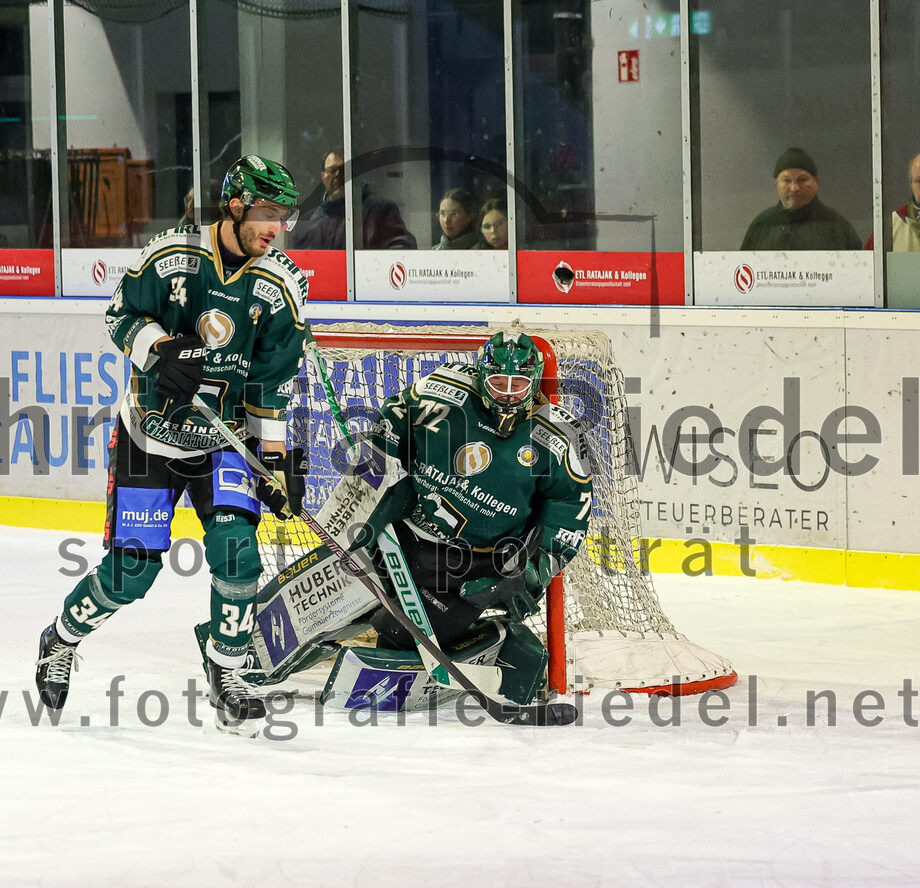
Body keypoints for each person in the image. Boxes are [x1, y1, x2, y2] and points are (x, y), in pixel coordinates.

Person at [35, 154, 310, 735]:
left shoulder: (280, 285)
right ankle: (60, 638)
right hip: (148, 438)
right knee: (130, 574)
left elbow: (269, 387)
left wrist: (278, 461)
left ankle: (228, 670)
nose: (274, 227)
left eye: (282, 215)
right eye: (264, 212)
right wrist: (159, 351)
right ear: (233, 205)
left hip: (222, 441)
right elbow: (119, 316)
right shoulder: (170, 256)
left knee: (239, 557)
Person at [238, 331, 593, 710]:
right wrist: (378, 484)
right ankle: (233, 655)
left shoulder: (558, 439)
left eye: (518, 384)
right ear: (480, 375)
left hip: (470, 568)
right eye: (498, 382)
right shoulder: (440, 393)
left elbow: (569, 518)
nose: (507, 394)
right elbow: (392, 421)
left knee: (397, 634)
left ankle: (493, 640)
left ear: (534, 384)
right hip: (404, 534)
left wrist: (525, 576)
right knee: (320, 597)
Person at [288, 150, 417, 250]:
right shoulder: (307, 223)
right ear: (323, 177)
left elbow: (402, 251)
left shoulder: (381, 211)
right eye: (332, 170)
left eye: (345, 169)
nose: (338, 176)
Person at [741, 148, 861, 251]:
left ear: (816, 183)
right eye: (787, 180)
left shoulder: (836, 226)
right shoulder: (762, 225)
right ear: (776, 184)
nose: (794, 188)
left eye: (802, 180)